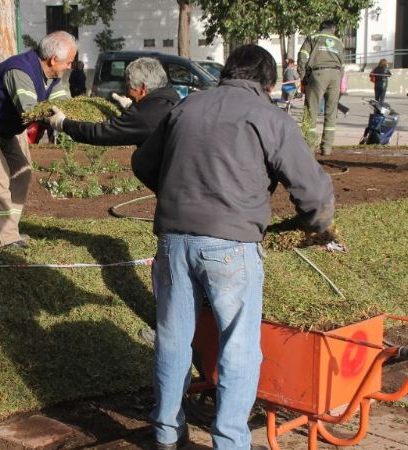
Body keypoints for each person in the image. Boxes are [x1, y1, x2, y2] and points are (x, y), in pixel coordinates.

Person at [132, 44, 334, 450]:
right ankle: (229, 441)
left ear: (227, 72)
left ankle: (167, 434)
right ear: (268, 82)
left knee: (173, 338)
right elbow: (311, 190)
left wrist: (179, 196)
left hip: (173, 241)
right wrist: (318, 227)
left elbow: (143, 163)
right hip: (231, 246)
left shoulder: (185, 108)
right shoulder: (268, 116)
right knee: (239, 346)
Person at [0, 31, 75, 249]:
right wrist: (57, 120)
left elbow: (62, 101)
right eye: (69, 62)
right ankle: (3, 239)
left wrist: (75, 117)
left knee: (22, 171)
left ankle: (10, 230)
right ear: (54, 59)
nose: (70, 67)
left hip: (4, 127)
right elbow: (29, 110)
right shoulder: (19, 71)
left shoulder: (54, 76)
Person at [49, 57, 179, 146]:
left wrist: (64, 124)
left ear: (143, 88)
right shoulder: (172, 97)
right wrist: (131, 106)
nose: (127, 92)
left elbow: (100, 133)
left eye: (129, 86)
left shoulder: (144, 116)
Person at [298, 20, 345, 155]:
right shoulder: (339, 41)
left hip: (318, 74)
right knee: (331, 112)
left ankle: (309, 146)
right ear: (333, 29)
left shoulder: (313, 37)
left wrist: (302, 75)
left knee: (311, 111)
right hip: (335, 75)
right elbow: (343, 64)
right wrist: (339, 79)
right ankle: (327, 148)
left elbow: (303, 56)